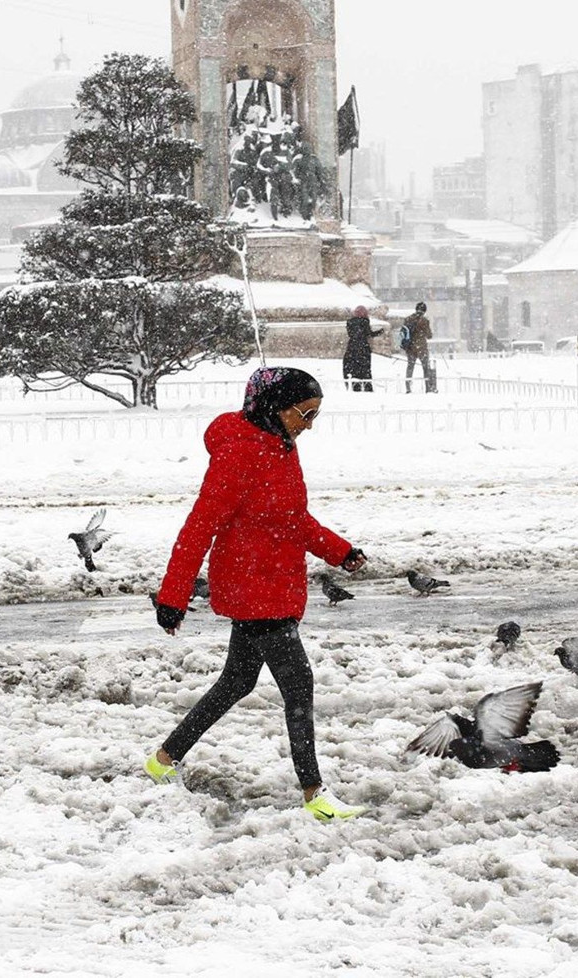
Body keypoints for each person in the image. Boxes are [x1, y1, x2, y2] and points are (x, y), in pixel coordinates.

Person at [146, 366, 367, 822]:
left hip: (276, 584)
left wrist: (339, 551)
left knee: (237, 681)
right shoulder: (239, 455)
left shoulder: (282, 449)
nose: (309, 426)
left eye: (315, 416)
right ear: (274, 408)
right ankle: (315, 795)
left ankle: (163, 759)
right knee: (299, 685)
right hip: (252, 588)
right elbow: (199, 527)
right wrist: (174, 594)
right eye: (304, 414)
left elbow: (293, 519)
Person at [343, 306, 383, 392]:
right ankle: (367, 388)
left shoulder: (349, 322)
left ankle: (356, 387)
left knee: (354, 369)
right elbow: (368, 334)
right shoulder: (365, 321)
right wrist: (379, 332)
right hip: (363, 348)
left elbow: (351, 334)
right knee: (366, 369)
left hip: (352, 348)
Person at [403, 301, 433, 394]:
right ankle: (428, 388)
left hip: (410, 347)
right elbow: (429, 335)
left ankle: (408, 388)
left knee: (410, 367)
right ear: (424, 311)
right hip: (421, 348)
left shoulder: (408, 319)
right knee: (425, 367)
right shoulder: (424, 320)